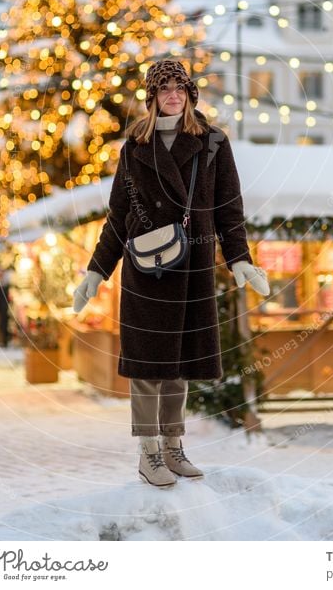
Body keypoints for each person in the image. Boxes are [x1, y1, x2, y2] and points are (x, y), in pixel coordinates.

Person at [73, 58, 270, 487]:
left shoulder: (213, 143)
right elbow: (118, 216)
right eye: (164, 89)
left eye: (180, 88)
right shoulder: (134, 148)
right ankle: (148, 453)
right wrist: (96, 271)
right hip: (146, 270)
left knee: (178, 364)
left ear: (191, 95)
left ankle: (173, 447)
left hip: (192, 266)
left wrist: (240, 259)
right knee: (148, 366)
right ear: (152, 98)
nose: (173, 96)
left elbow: (228, 210)